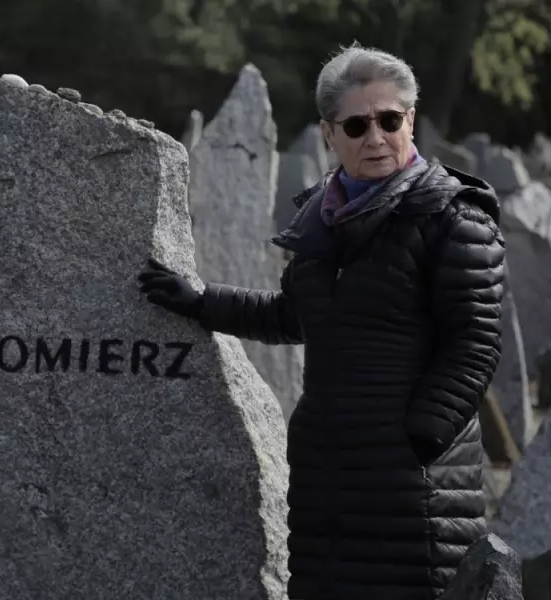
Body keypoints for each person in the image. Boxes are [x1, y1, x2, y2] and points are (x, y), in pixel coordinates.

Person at [137, 43, 505, 600]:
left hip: (411, 481)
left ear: (410, 121)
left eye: (389, 120)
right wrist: (201, 300)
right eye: (357, 125)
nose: (375, 137)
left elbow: (474, 342)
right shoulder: (322, 222)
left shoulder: (454, 217)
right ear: (329, 134)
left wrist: (419, 437)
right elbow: (293, 315)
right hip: (326, 470)